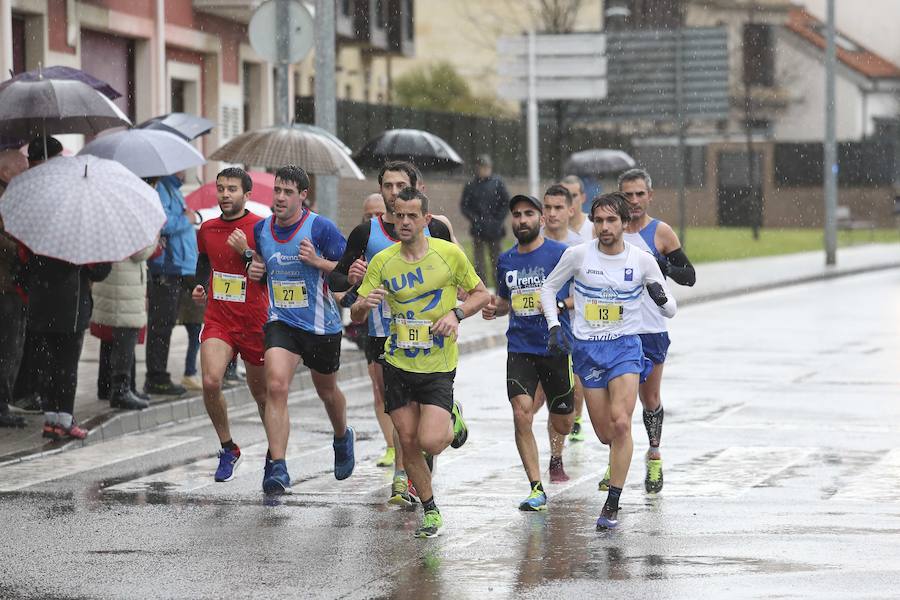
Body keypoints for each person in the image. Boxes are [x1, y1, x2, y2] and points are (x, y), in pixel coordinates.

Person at [351, 187, 490, 538]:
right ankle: (429, 508)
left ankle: (452, 420)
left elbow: (481, 294)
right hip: (397, 363)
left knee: (430, 442)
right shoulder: (383, 261)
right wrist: (363, 306)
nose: (405, 222)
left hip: (438, 365)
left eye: (413, 216)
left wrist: (456, 314)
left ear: (426, 220)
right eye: (399, 215)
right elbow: (354, 311)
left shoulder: (448, 255)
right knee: (407, 440)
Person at [540, 192, 676, 530]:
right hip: (587, 350)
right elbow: (547, 289)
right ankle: (616, 472)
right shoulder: (577, 256)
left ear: (624, 223)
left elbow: (671, 307)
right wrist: (555, 326)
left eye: (611, 220)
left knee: (620, 422)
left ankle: (612, 502)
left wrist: (661, 298)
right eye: (598, 220)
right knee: (604, 433)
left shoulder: (642, 260)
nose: (603, 227)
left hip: (626, 347)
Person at [329, 161, 452, 504]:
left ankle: (415, 468)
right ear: (380, 189)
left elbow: (459, 277)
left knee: (424, 418)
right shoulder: (366, 234)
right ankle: (404, 475)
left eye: (402, 186)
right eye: (388, 187)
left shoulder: (435, 230)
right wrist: (352, 281)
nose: (394, 194)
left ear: (416, 189)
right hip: (384, 333)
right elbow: (337, 280)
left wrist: (455, 313)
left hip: (431, 334)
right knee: (400, 409)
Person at [248, 165, 353, 494]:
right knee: (276, 386)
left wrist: (318, 262)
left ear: (303, 196)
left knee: (327, 392)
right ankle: (278, 466)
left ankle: (342, 436)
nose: (279, 197)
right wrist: (255, 269)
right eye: (277, 190)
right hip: (282, 322)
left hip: (321, 326)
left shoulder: (320, 228)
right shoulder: (262, 230)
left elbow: (349, 272)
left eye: (287, 192)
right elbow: (263, 268)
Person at [594, 168, 696, 494]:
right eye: (628, 195)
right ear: (619, 198)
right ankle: (615, 461)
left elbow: (689, 276)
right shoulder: (608, 231)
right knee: (618, 406)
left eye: (640, 194)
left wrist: (662, 264)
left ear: (650, 196)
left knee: (649, 398)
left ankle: (654, 454)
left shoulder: (660, 232)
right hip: (616, 329)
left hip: (651, 329)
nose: (635, 201)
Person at [481, 193, 575, 511]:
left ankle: (560, 420)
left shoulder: (562, 254)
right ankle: (536, 488)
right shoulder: (506, 260)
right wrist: (496, 308)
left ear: (542, 219)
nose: (522, 220)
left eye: (528, 214)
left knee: (563, 423)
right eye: (517, 215)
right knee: (521, 413)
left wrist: (560, 304)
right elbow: (506, 301)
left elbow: (583, 295)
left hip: (555, 346)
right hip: (520, 347)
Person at [191, 167, 269, 483]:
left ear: (246, 194)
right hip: (219, 319)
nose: (225, 194)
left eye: (232, 189)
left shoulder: (261, 229)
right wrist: (199, 286)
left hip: (254, 321)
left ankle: (275, 455)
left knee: (263, 396)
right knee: (210, 382)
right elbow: (203, 263)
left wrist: (246, 253)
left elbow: (266, 275)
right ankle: (228, 448)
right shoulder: (207, 228)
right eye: (221, 188)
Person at [22, 252, 111, 440]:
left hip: (41, 311)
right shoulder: (81, 244)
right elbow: (100, 273)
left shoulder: (41, 240)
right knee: (67, 366)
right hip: (71, 311)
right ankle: (65, 420)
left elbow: (24, 272)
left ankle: (51, 420)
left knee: (47, 365)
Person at [538, 184, 582, 482]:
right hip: (531, 335)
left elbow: (590, 294)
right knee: (529, 402)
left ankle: (556, 456)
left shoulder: (580, 248)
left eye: (558, 208)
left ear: (571, 210)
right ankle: (545, 459)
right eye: (548, 208)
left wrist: (559, 304)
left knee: (562, 402)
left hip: (571, 334)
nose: (552, 214)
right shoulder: (532, 244)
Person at [145, 173, 199, 396]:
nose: (185, 170)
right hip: (167, 267)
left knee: (167, 324)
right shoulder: (161, 189)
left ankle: (159, 374)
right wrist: (187, 218)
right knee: (161, 325)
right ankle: (156, 377)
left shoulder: (173, 189)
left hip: (179, 268)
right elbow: (161, 222)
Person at [91, 242, 157, 411]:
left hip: (113, 284)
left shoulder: (109, 223)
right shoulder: (127, 225)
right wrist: (154, 239)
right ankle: (121, 391)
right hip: (124, 288)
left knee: (111, 340)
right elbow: (140, 253)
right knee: (125, 341)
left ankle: (108, 387)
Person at [0, 150, 28, 428]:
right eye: (22, 169)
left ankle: (5, 401)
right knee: (6, 347)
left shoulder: (14, 195)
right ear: (6, 172)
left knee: (13, 345)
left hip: (14, 284)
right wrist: (21, 250)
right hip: (4, 283)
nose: (26, 175)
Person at [460, 154, 509, 282]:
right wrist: (476, 219)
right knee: (479, 262)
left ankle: (499, 288)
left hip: (495, 228)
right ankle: (483, 288)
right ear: (477, 168)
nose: (485, 170)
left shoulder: (498, 184)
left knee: (497, 260)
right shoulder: (471, 185)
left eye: (487, 167)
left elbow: (505, 203)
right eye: (482, 167)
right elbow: (465, 206)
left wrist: (497, 220)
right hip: (478, 229)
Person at [560, 175, 595, 241]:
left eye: (574, 195)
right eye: (565, 195)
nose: (569, 200)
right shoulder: (551, 227)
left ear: (583, 198)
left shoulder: (594, 226)